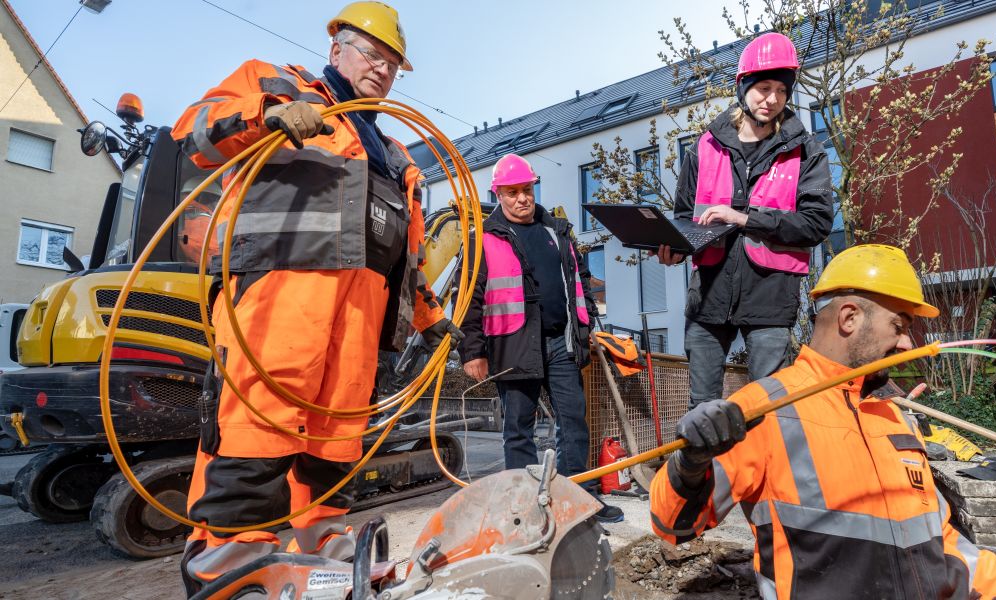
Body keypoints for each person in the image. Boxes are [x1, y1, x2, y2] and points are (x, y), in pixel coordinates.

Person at [650, 244, 996, 600]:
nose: (908, 341)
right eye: (899, 324)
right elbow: (673, 527)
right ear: (849, 318)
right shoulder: (763, 408)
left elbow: (950, 556)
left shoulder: (893, 418)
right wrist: (690, 461)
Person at [170, 2, 461, 592]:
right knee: (259, 416)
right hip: (280, 292)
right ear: (336, 50)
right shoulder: (274, 85)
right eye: (371, 56)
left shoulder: (397, 157)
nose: (381, 71)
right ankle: (230, 557)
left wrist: (430, 319)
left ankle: (325, 541)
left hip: (361, 313)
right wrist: (268, 115)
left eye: (392, 65)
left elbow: (407, 254)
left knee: (337, 431)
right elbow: (195, 130)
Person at [657, 31, 834, 409]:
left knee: (767, 408)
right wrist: (674, 248)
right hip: (709, 295)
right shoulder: (704, 147)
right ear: (743, 86)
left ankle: (763, 470)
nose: (772, 99)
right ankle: (709, 471)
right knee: (701, 408)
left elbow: (816, 224)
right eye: (763, 88)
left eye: (782, 91)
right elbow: (685, 217)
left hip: (771, 296)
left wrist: (743, 218)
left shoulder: (806, 151)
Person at [458, 153, 623, 523]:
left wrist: (587, 327)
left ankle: (578, 502)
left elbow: (580, 282)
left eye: (527, 190)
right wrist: (472, 351)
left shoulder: (557, 231)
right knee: (519, 428)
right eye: (512, 192)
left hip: (560, 343)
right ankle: (527, 508)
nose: (522, 198)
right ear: (498, 194)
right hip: (513, 345)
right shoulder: (482, 238)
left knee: (574, 421)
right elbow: (468, 299)